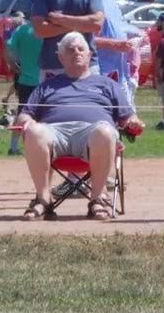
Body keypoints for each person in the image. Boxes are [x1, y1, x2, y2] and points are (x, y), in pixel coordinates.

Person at [14, 32, 141, 221]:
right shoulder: (46, 86)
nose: (76, 52)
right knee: (34, 131)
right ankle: (43, 199)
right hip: (55, 133)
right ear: (61, 57)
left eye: (81, 49)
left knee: (105, 131)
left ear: (89, 55)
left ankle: (98, 199)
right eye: (70, 50)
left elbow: (129, 117)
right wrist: (26, 122)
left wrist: (133, 123)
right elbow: (24, 115)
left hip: (93, 134)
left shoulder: (108, 85)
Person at [84, 0, 138, 103]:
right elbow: (80, 38)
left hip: (120, 74)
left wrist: (134, 38)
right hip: (99, 73)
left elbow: (118, 28)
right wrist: (114, 44)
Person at [5, 12, 43, 155]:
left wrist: (12, 65)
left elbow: (8, 47)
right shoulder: (47, 29)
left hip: (25, 80)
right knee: (45, 115)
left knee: (21, 114)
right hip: (44, 80)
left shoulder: (21, 30)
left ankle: (14, 146)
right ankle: (41, 145)